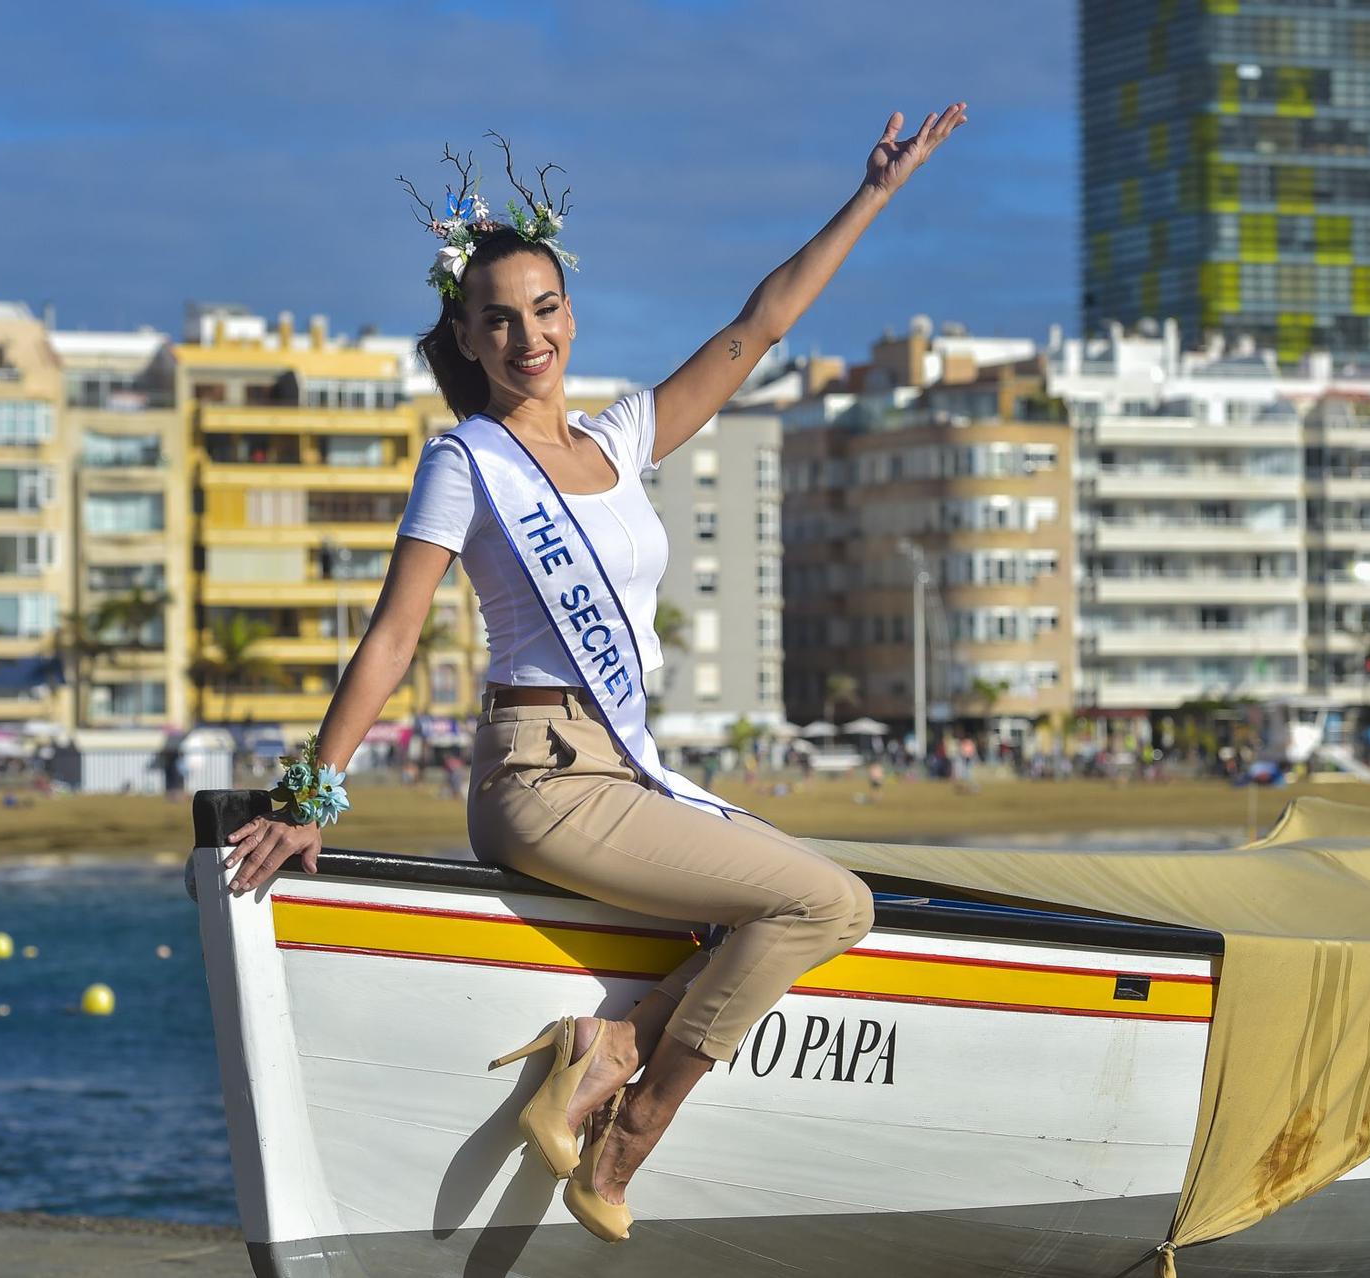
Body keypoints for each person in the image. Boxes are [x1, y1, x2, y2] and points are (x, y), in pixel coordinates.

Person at [221, 104, 967, 1243]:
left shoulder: (618, 443)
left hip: (620, 771)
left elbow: (759, 323)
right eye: (499, 322)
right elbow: (392, 636)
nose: (528, 338)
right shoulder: (464, 463)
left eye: (544, 309)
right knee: (826, 899)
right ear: (466, 340)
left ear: (570, 311)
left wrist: (875, 191)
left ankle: (606, 1048)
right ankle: (625, 1137)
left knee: (788, 900)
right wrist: (309, 796)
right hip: (539, 778)